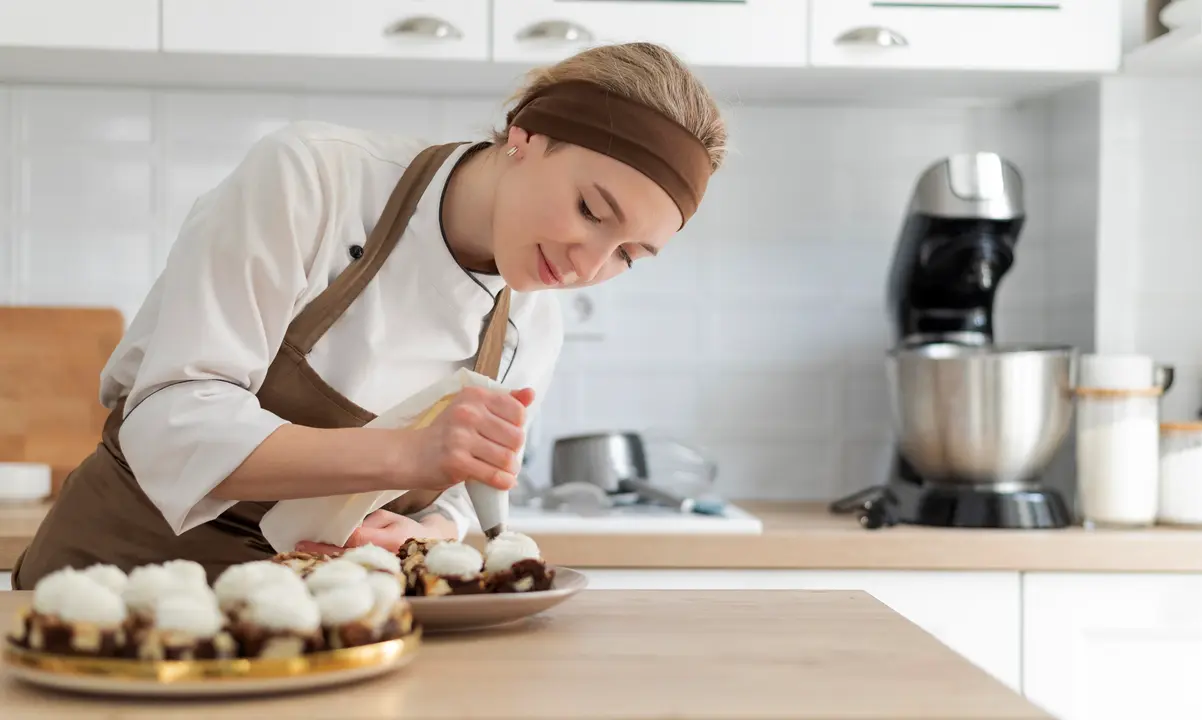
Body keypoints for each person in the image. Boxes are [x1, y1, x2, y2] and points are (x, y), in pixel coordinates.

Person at [13, 41, 727, 590]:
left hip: (322, 625)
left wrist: (411, 527)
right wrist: (405, 455)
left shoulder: (531, 326)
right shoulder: (312, 178)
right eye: (590, 210)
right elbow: (167, 426)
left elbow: (451, 500)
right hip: (118, 585)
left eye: (628, 254)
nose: (587, 264)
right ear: (525, 134)